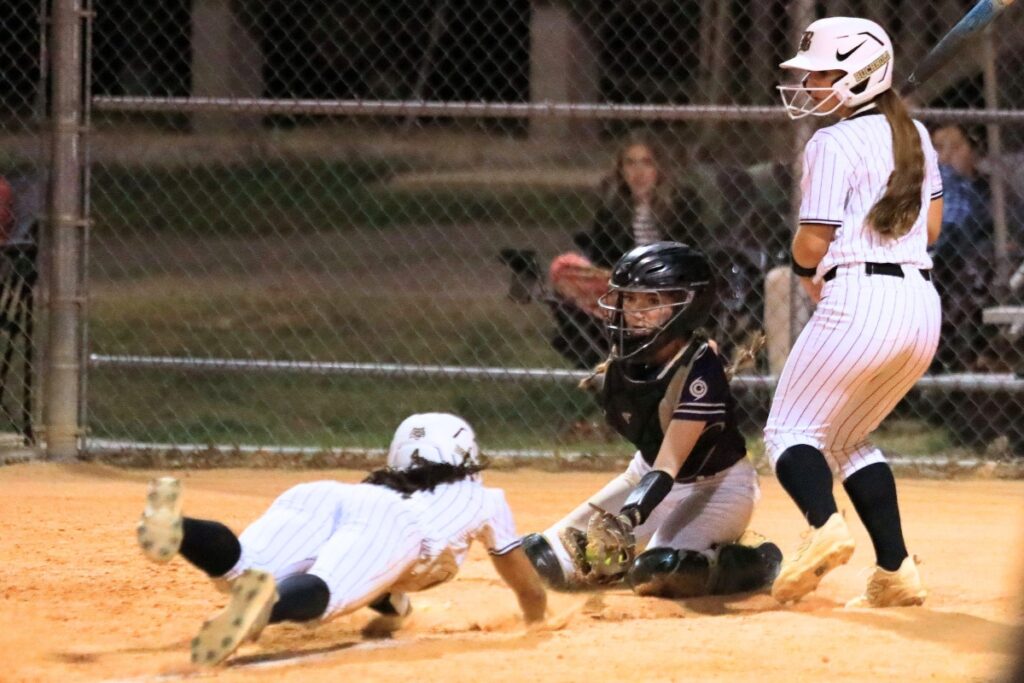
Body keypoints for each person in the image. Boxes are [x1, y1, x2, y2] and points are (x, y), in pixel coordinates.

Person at [136, 413, 547, 666]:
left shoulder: (378, 485)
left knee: (241, 568)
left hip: (322, 496)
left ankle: (179, 526)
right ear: (465, 454)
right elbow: (527, 587)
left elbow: (383, 584)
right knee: (326, 590)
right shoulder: (483, 498)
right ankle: (267, 606)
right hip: (399, 526)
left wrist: (392, 613)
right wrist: (539, 622)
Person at [770, 16, 943, 607]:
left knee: (789, 430)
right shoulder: (915, 135)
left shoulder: (831, 141)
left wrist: (802, 269)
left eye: (821, 74)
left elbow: (813, 240)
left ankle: (822, 527)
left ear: (858, 76)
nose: (811, 84)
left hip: (861, 302)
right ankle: (895, 572)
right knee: (845, 437)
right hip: (921, 309)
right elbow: (934, 227)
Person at [521, 241, 782, 600]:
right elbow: (650, 466)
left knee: (661, 571)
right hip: (645, 477)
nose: (636, 312)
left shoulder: (701, 367)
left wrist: (627, 519)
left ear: (688, 306)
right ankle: (651, 550)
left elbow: (670, 464)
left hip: (715, 488)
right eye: (630, 300)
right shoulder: (628, 355)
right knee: (542, 559)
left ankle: (752, 564)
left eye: (652, 302)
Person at [543, 130, 702, 369]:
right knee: (563, 266)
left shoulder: (682, 201)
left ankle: (637, 323)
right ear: (621, 170)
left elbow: (692, 250)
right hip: (621, 283)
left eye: (646, 163)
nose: (638, 172)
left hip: (666, 283)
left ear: (659, 168)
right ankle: (622, 319)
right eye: (630, 163)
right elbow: (601, 257)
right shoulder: (613, 208)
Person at [930, 123, 997, 372]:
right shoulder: (943, 177)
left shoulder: (985, 185)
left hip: (971, 256)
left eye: (955, 147)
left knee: (978, 263)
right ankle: (945, 357)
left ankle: (962, 354)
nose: (945, 156)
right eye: (938, 147)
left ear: (972, 150)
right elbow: (950, 225)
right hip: (943, 252)